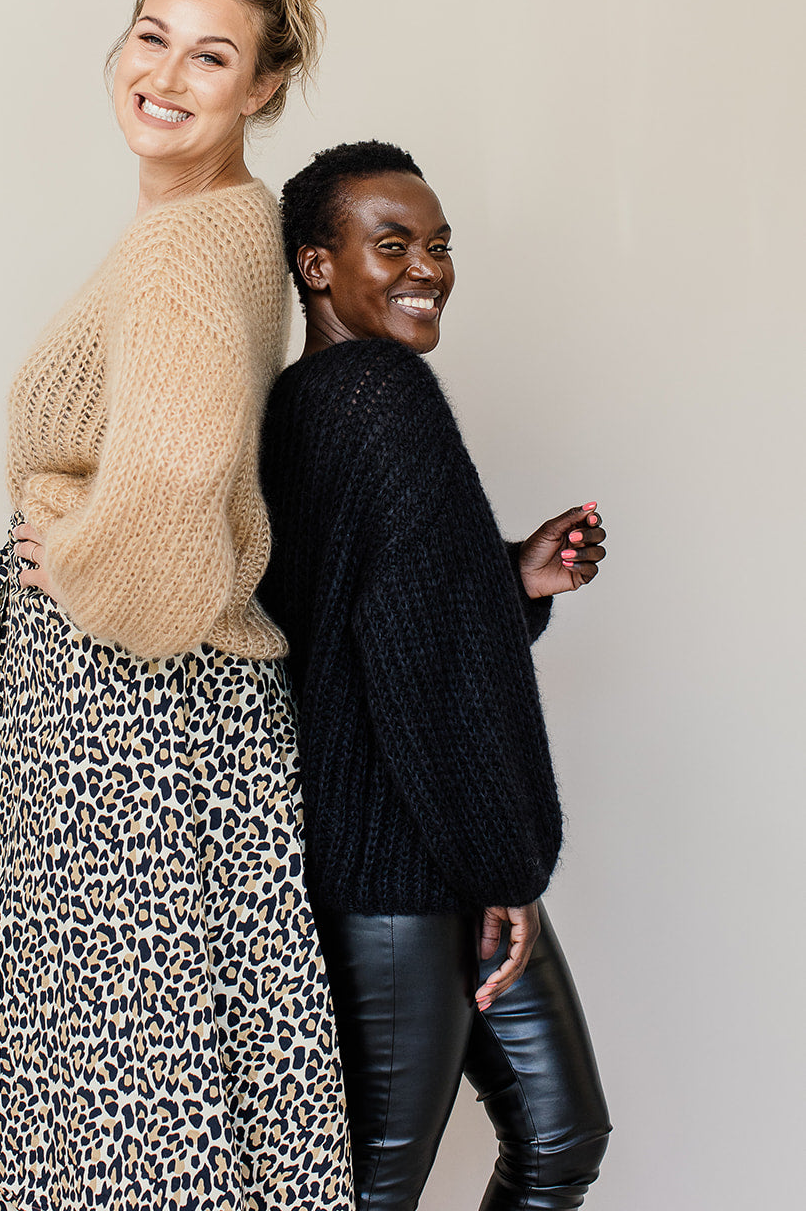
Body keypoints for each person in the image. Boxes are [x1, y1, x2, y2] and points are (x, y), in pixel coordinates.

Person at [0, 0, 354, 1211]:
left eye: (209, 56)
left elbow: (173, 472)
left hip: (133, 723)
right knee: (182, 1089)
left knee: (114, 1105)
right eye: (149, 35)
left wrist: (92, 570)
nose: (161, 75)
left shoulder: (181, 249)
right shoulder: (227, 225)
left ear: (265, 83)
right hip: (167, 723)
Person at [259, 141, 612, 1211]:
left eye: (440, 244)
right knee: (381, 1190)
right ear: (318, 266)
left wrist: (513, 580)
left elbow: (391, 621)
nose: (427, 267)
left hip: (416, 851)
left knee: (560, 1135)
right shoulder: (379, 393)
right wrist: (503, 866)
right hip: (402, 873)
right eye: (393, 243)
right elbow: (421, 661)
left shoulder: (308, 400)